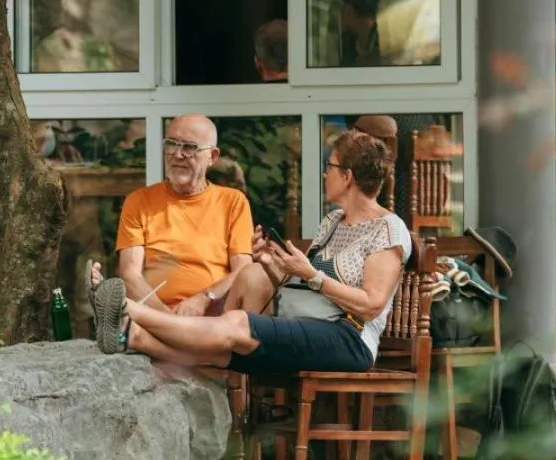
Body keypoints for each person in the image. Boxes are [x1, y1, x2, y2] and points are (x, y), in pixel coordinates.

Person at [89, 129, 411, 376]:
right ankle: (131, 337)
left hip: (348, 339)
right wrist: (272, 263)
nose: (325, 173)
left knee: (239, 324)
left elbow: (370, 306)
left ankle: (129, 310)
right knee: (225, 349)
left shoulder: (388, 229)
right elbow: (303, 287)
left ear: (348, 176)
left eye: (330, 166)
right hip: (307, 323)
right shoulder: (333, 221)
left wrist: (311, 275)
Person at [110, 114, 254, 317]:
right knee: (134, 316)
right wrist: (167, 318)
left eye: (189, 147)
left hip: (214, 313)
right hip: (156, 314)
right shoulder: (139, 202)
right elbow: (130, 274)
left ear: (212, 156)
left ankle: (137, 339)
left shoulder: (233, 202)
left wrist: (204, 299)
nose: (177, 155)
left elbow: (243, 270)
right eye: (171, 145)